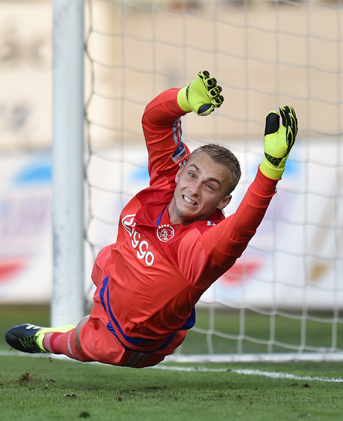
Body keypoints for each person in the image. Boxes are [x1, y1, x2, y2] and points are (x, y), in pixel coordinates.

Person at [5, 70, 298, 368]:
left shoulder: (201, 246)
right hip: (112, 282)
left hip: (131, 341)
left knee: (81, 343)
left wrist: (271, 168)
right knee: (107, 258)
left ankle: (46, 339)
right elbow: (155, 121)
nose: (194, 189)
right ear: (182, 169)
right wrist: (185, 98)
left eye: (210, 186)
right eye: (192, 174)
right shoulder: (167, 180)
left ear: (223, 201)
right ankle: (91, 319)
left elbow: (242, 227)